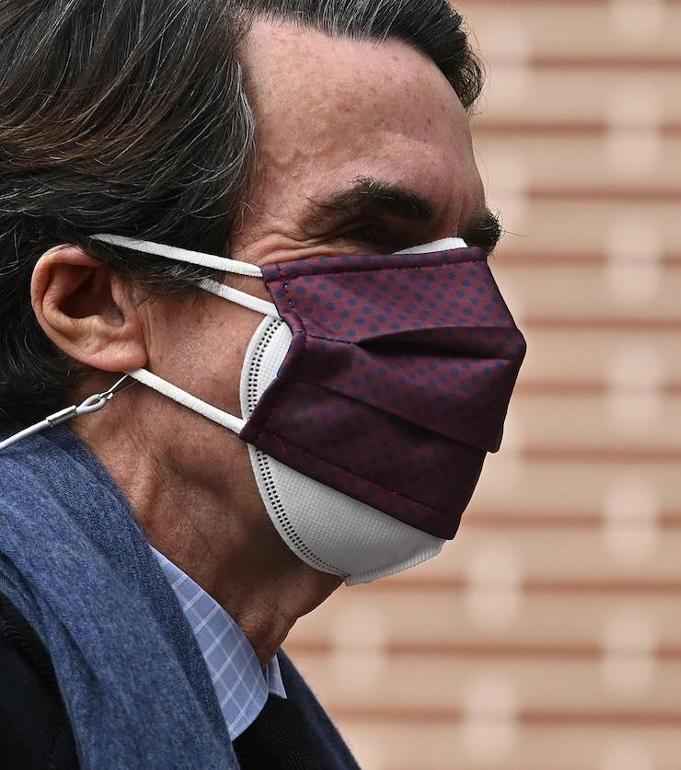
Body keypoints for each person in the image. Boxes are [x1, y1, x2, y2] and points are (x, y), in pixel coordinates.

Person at [0, 1, 525, 767]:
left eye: (466, 255)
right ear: (95, 305)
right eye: (369, 236)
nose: (460, 316)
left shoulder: (243, 710)